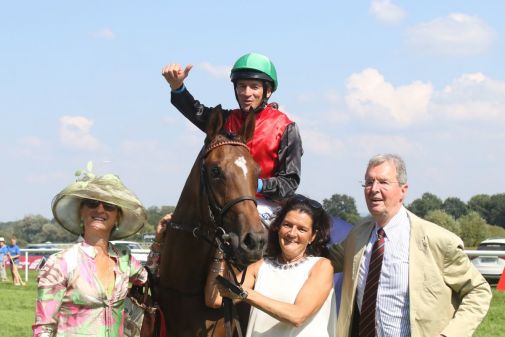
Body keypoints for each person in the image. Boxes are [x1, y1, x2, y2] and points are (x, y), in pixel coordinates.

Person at [329, 154, 492, 337]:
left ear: (403, 190)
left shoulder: (437, 240)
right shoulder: (357, 235)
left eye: (383, 182)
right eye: (368, 182)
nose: (374, 189)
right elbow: (325, 259)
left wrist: (451, 335)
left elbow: (479, 291)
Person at [161, 52, 303, 223]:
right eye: (241, 86)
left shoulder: (286, 127)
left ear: (268, 91)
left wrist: (255, 184)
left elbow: (289, 182)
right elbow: (195, 111)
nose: (246, 93)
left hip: (266, 205)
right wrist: (178, 87)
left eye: (254, 86)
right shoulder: (224, 120)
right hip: (225, 202)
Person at [32, 172, 149, 337]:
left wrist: (160, 240)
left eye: (109, 205)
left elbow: (154, 278)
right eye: (92, 203)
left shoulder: (125, 259)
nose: (100, 209)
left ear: (117, 217)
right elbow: (44, 328)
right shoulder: (60, 263)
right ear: (81, 211)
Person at [205, 194, 337, 337]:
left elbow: (297, 316)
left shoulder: (322, 266)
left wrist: (246, 294)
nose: (292, 233)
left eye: (301, 229)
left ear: (312, 236)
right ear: (278, 228)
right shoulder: (261, 266)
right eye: (287, 225)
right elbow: (216, 299)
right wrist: (220, 252)